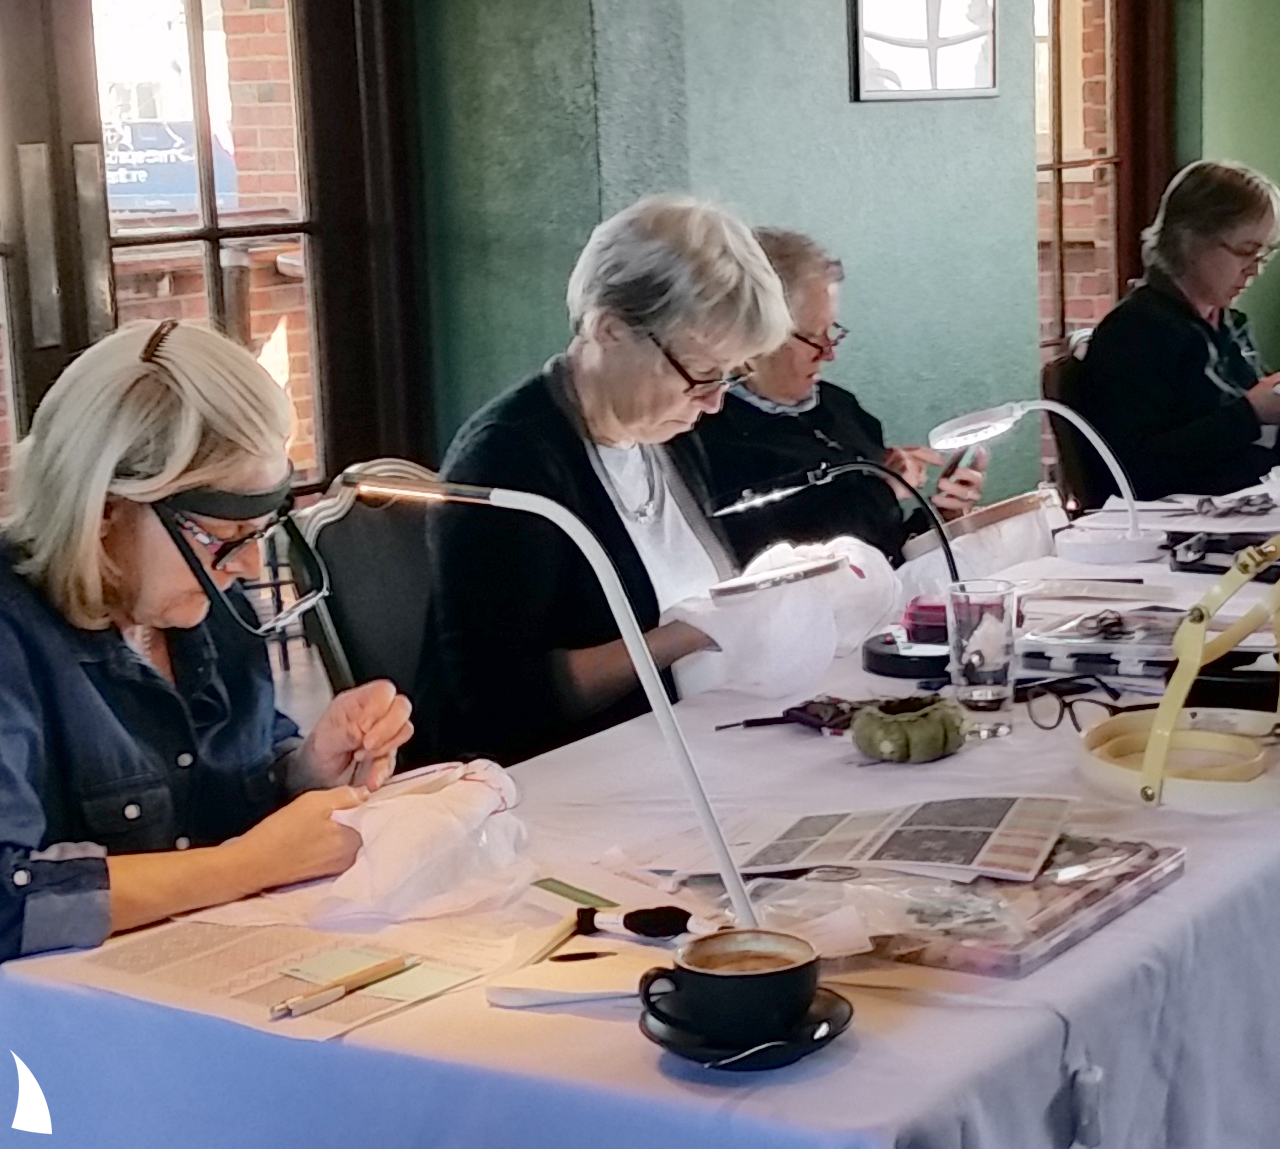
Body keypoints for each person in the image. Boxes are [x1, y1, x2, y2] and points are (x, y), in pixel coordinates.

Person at [0, 318, 415, 1054]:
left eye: (262, 534)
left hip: (172, 1020)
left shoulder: (196, 601)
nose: (247, 569)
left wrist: (306, 769)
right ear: (105, 512)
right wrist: (253, 864)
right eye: (223, 539)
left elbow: (222, 780)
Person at [420, 196, 794, 763]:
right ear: (609, 328)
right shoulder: (507, 462)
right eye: (701, 373)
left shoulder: (673, 431)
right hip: (556, 786)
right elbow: (500, 701)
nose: (716, 401)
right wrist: (688, 634)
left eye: (732, 375)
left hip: (687, 754)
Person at [697, 228, 986, 563]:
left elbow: (886, 552)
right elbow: (787, 563)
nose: (828, 353)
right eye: (814, 337)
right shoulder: (715, 436)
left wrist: (942, 514)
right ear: (754, 337)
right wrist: (885, 490)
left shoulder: (840, 408)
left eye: (831, 332)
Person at [1066, 160, 1280, 501]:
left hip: (1244, 500)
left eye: (1265, 255)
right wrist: (1249, 414)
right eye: (1246, 252)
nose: (1255, 270)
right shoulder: (1135, 334)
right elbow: (1135, 468)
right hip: (1174, 522)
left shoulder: (1226, 323)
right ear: (1190, 240)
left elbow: (1258, 439)